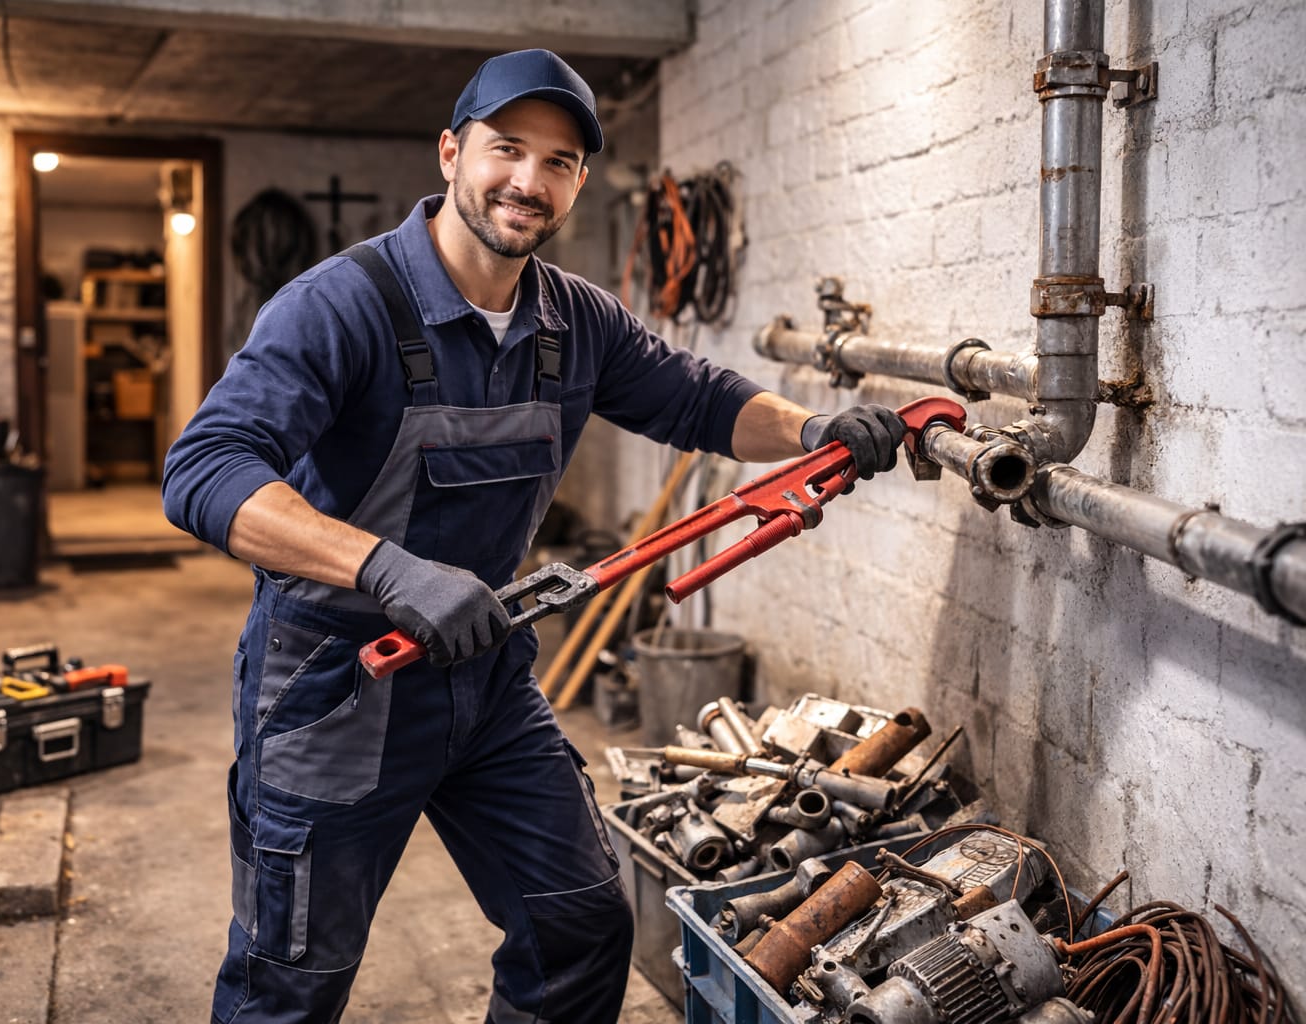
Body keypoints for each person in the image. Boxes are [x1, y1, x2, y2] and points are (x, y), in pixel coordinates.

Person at [162, 48, 907, 1024]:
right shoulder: (343, 305)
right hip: (339, 685)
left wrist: (811, 431)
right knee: (291, 981)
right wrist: (385, 567)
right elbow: (205, 470)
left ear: (579, 182)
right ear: (450, 152)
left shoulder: (575, 320)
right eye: (507, 148)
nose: (528, 179)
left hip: (485, 679)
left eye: (558, 161)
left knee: (583, 927)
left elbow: (700, 400)